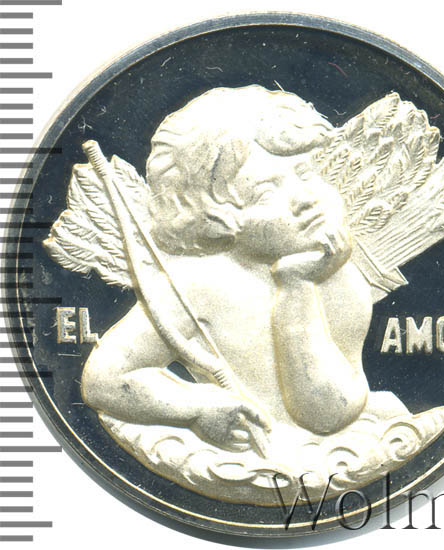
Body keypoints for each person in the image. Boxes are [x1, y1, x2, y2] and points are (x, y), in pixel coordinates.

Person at [81, 86, 375, 455]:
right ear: (214, 219)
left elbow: (333, 411)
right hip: (245, 459)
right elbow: (102, 381)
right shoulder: (199, 284)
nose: (305, 199)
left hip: (323, 456)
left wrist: (298, 284)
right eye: (266, 193)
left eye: (304, 172)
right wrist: (196, 408)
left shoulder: (337, 276)